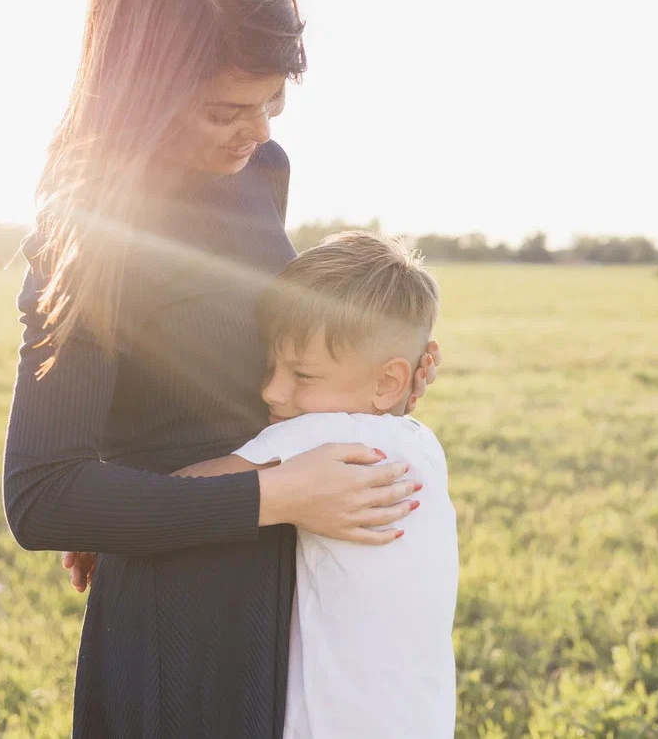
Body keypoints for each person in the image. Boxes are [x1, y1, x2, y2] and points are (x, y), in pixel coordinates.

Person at [3, 0, 440, 739]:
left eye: (272, 100)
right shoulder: (92, 229)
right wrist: (269, 492)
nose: (260, 131)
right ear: (143, 93)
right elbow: (42, 494)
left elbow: (252, 361)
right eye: (227, 109)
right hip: (184, 624)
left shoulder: (261, 171)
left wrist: (372, 385)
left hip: (287, 585)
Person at [173, 231, 458, 738]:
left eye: (302, 375)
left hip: (332, 720)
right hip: (417, 714)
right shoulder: (421, 442)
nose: (272, 390)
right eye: (269, 366)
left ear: (390, 380)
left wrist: (101, 516)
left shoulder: (320, 433)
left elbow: (191, 489)